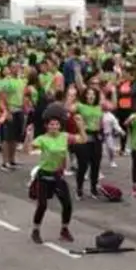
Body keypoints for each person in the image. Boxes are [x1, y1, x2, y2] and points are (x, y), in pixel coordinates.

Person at [30, 102, 81, 245]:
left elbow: (82, 139)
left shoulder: (64, 136)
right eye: (51, 124)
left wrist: (81, 126)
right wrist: (28, 136)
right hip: (44, 175)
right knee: (42, 205)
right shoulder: (42, 138)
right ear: (46, 126)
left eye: (56, 124)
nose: (53, 127)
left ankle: (64, 230)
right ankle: (36, 230)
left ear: (60, 125)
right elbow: (28, 150)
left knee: (67, 204)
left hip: (58, 175)